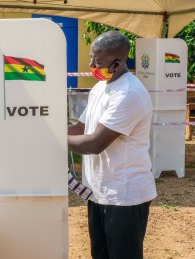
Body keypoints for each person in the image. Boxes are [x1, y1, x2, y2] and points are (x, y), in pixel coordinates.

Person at [67, 31, 157, 259]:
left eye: (97, 62)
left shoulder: (128, 93)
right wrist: (43, 130)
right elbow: (80, 129)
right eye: (91, 59)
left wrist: (51, 140)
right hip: (99, 192)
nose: (90, 66)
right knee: (101, 254)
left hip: (124, 196)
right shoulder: (101, 87)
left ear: (117, 64)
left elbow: (95, 143)